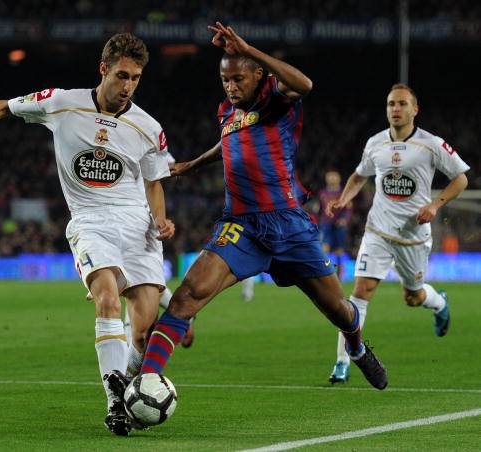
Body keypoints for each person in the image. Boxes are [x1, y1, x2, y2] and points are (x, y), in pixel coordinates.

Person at [105, 22, 388, 406]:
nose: (231, 87)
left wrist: (249, 49)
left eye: (238, 79)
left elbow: (305, 84)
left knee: (339, 310)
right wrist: (192, 165)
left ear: (258, 75)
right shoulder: (228, 112)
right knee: (186, 298)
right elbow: (228, 144)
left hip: (288, 225)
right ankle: (147, 381)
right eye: (225, 80)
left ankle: (356, 348)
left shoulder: (276, 100)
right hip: (241, 226)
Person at [0, 33, 175, 436]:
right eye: (122, 75)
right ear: (104, 69)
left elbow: (154, 181)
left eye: (136, 78)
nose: (128, 85)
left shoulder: (148, 127)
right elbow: (4, 108)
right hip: (91, 221)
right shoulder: (61, 102)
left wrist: (160, 220)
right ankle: (114, 401)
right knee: (107, 300)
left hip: (139, 228)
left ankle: (130, 386)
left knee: (144, 334)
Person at [326, 83, 469, 384]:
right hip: (377, 231)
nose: (396, 109)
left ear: (415, 109)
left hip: (413, 236)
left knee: (412, 297)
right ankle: (342, 362)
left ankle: (439, 303)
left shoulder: (431, 144)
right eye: (391, 103)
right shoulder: (375, 143)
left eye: (402, 104)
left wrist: (435, 204)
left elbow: (461, 179)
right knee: (360, 293)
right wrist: (343, 199)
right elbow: (358, 176)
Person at [318, 170, 352, 278]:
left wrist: (344, 219)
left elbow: (349, 208)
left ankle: (339, 273)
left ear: (339, 179)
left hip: (339, 225)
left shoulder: (344, 193)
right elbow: (320, 210)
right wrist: (319, 221)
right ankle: (325, 271)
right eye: (330, 176)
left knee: (339, 250)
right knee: (325, 248)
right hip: (326, 224)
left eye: (334, 176)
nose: (332, 178)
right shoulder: (322, 193)